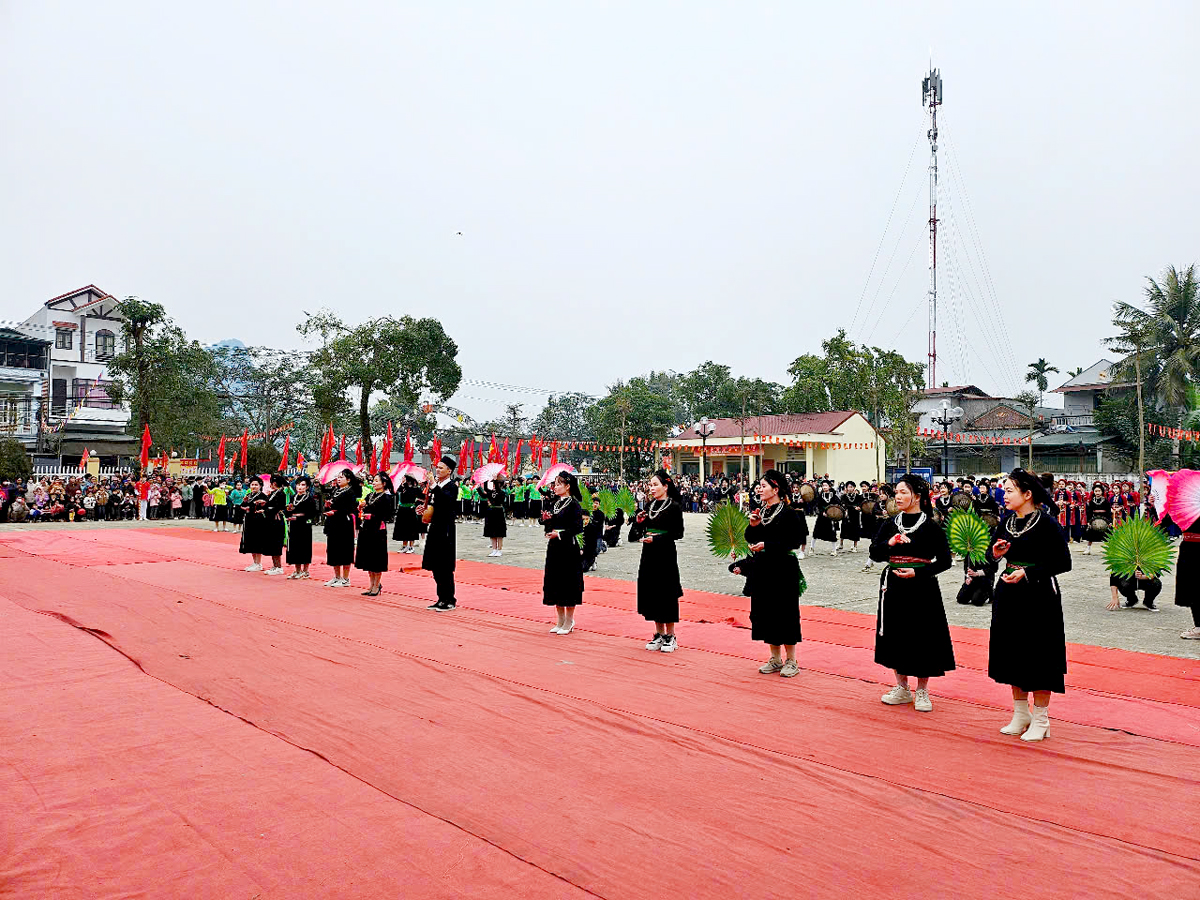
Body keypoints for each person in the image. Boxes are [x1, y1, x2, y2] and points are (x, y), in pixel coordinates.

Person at [988, 468, 1072, 742]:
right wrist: (996, 554)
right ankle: (1020, 712)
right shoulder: (1006, 522)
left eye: (1010, 490)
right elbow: (992, 556)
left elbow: (1063, 563)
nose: (1005, 494)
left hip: (1039, 596)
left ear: (1027, 494)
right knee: (1012, 652)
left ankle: (1041, 718)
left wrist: (1029, 573)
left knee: (1039, 655)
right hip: (1009, 593)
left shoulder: (1047, 524)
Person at [869, 473, 955, 712]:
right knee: (896, 633)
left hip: (921, 586)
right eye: (896, 492)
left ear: (917, 496)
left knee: (922, 635)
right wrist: (891, 544)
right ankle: (901, 687)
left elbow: (945, 561)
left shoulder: (931, 526)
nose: (897, 496)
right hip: (893, 585)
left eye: (903, 492)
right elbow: (875, 553)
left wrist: (918, 573)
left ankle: (922, 690)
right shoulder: (890, 524)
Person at [730, 470, 804, 678]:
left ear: (776, 489)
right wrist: (753, 527)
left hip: (783, 568)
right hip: (762, 568)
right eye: (759, 486)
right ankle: (775, 658)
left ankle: (791, 660)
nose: (759, 489)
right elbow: (750, 538)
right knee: (764, 612)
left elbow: (794, 541)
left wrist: (768, 545)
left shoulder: (790, 513)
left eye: (763, 486)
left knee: (785, 612)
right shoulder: (761, 512)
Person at [632, 469, 685, 653]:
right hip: (649, 554)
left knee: (666, 592)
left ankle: (671, 635)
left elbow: (678, 533)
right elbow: (634, 535)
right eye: (650, 484)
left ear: (665, 486)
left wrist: (656, 539)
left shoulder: (674, 506)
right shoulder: (649, 506)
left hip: (665, 554)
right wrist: (638, 522)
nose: (652, 488)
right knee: (651, 591)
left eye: (655, 484)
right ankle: (659, 633)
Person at [542, 471, 585, 634]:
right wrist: (546, 521)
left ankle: (569, 620)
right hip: (554, 547)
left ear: (568, 486)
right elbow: (551, 524)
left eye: (559, 484)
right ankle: (559, 620)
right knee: (555, 581)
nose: (556, 487)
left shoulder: (574, 505)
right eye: (555, 484)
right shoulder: (554, 503)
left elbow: (578, 528)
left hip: (568, 547)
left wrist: (559, 534)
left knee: (568, 582)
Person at [421, 455, 459, 611]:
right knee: (436, 565)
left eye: (441, 467)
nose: (437, 469)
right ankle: (441, 598)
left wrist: (434, 485)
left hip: (446, 529)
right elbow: (433, 506)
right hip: (435, 528)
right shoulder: (435, 487)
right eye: (437, 467)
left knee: (445, 566)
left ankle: (450, 599)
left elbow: (446, 502)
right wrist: (423, 510)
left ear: (449, 471)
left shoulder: (452, 486)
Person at [355, 472, 395, 596]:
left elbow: (388, 515)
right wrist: (361, 506)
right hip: (366, 528)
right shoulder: (371, 495)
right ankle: (371, 584)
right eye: (374, 480)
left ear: (384, 484)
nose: (374, 483)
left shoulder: (387, 497)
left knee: (376, 557)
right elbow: (364, 507)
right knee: (368, 557)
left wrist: (372, 515)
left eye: (377, 481)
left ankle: (377, 585)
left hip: (377, 529)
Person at [323, 468, 359, 587]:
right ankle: (336, 576)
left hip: (344, 523)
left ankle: (345, 578)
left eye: (342, 477)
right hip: (333, 523)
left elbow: (350, 509)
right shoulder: (335, 490)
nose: (339, 479)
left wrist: (336, 512)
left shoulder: (351, 492)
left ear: (348, 480)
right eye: (338, 477)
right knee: (333, 549)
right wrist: (328, 506)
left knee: (344, 549)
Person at [285, 475, 317, 579]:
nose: (300, 487)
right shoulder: (294, 497)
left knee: (305, 546)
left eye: (303, 485)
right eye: (298, 484)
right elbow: (289, 511)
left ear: (307, 487)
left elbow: (313, 513)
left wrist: (300, 518)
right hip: (294, 524)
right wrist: (289, 511)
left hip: (304, 525)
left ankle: (305, 570)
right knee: (294, 546)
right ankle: (297, 570)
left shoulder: (309, 498)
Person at [257, 474, 288, 575]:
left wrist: (265, 510)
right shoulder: (273, 493)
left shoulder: (281, 494)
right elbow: (269, 505)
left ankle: (279, 567)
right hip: (271, 520)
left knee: (276, 543)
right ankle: (274, 566)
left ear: (274, 483)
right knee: (271, 542)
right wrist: (264, 504)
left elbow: (278, 507)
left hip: (277, 520)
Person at [1177, 516, 1200, 640]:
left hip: (1192, 549)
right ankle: (1199, 626)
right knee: (1192, 588)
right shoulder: (1186, 501)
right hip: (1189, 549)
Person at [238, 477, 267, 570]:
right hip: (249, 520)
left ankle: (258, 563)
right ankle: (254, 562)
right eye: (252, 485)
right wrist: (245, 503)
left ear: (260, 486)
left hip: (258, 521)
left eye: (256, 485)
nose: (254, 486)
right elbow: (242, 505)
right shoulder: (249, 495)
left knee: (257, 541)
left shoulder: (263, 496)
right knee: (250, 541)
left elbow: (266, 508)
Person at [392, 474, 423, 554]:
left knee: (411, 528)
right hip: (402, 509)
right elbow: (397, 492)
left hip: (410, 509)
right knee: (403, 528)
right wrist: (402, 485)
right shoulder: (403, 487)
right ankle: (404, 546)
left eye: (405, 478)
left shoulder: (416, 489)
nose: (403, 479)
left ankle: (411, 546)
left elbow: (421, 497)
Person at [1083, 482, 1112, 555]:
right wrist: (1089, 521)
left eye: (1099, 491)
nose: (1097, 493)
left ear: (1102, 492)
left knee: (1109, 534)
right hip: (1094, 519)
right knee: (1090, 533)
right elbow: (1089, 513)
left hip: (1104, 519)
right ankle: (1088, 548)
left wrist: (1109, 521)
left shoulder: (1106, 501)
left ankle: (1110, 549)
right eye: (1096, 491)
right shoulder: (1091, 502)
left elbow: (1109, 512)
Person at [481, 477, 507, 557]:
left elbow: (498, 495)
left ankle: (499, 550)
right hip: (490, 512)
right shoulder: (491, 492)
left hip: (498, 512)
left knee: (499, 532)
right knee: (491, 532)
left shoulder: (502, 492)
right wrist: (483, 482)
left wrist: (495, 480)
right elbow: (484, 493)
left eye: (497, 483)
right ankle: (494, 549)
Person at [813, 481, 840, 556]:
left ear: (829, 487)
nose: (824, 487)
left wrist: (833, 512)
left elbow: (838, 504)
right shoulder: (820, 496)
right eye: (823, 485)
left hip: (831, 517)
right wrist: (822, 512)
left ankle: (834, 550)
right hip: (822, 516)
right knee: (816, 532)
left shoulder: (834, 496)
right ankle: (812, 547)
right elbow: (817, 506)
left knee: (832, 533)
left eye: (826, 485)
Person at [581, 493, 604, 572]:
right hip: (588, 535)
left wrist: (591, 522)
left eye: (597, 503)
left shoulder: (601, 514)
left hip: (597, 535)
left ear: (599, 505)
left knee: (597, 549)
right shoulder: (588, 512)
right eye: (593, 503)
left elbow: (598, 525)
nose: (595, 505)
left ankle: (593, 559)